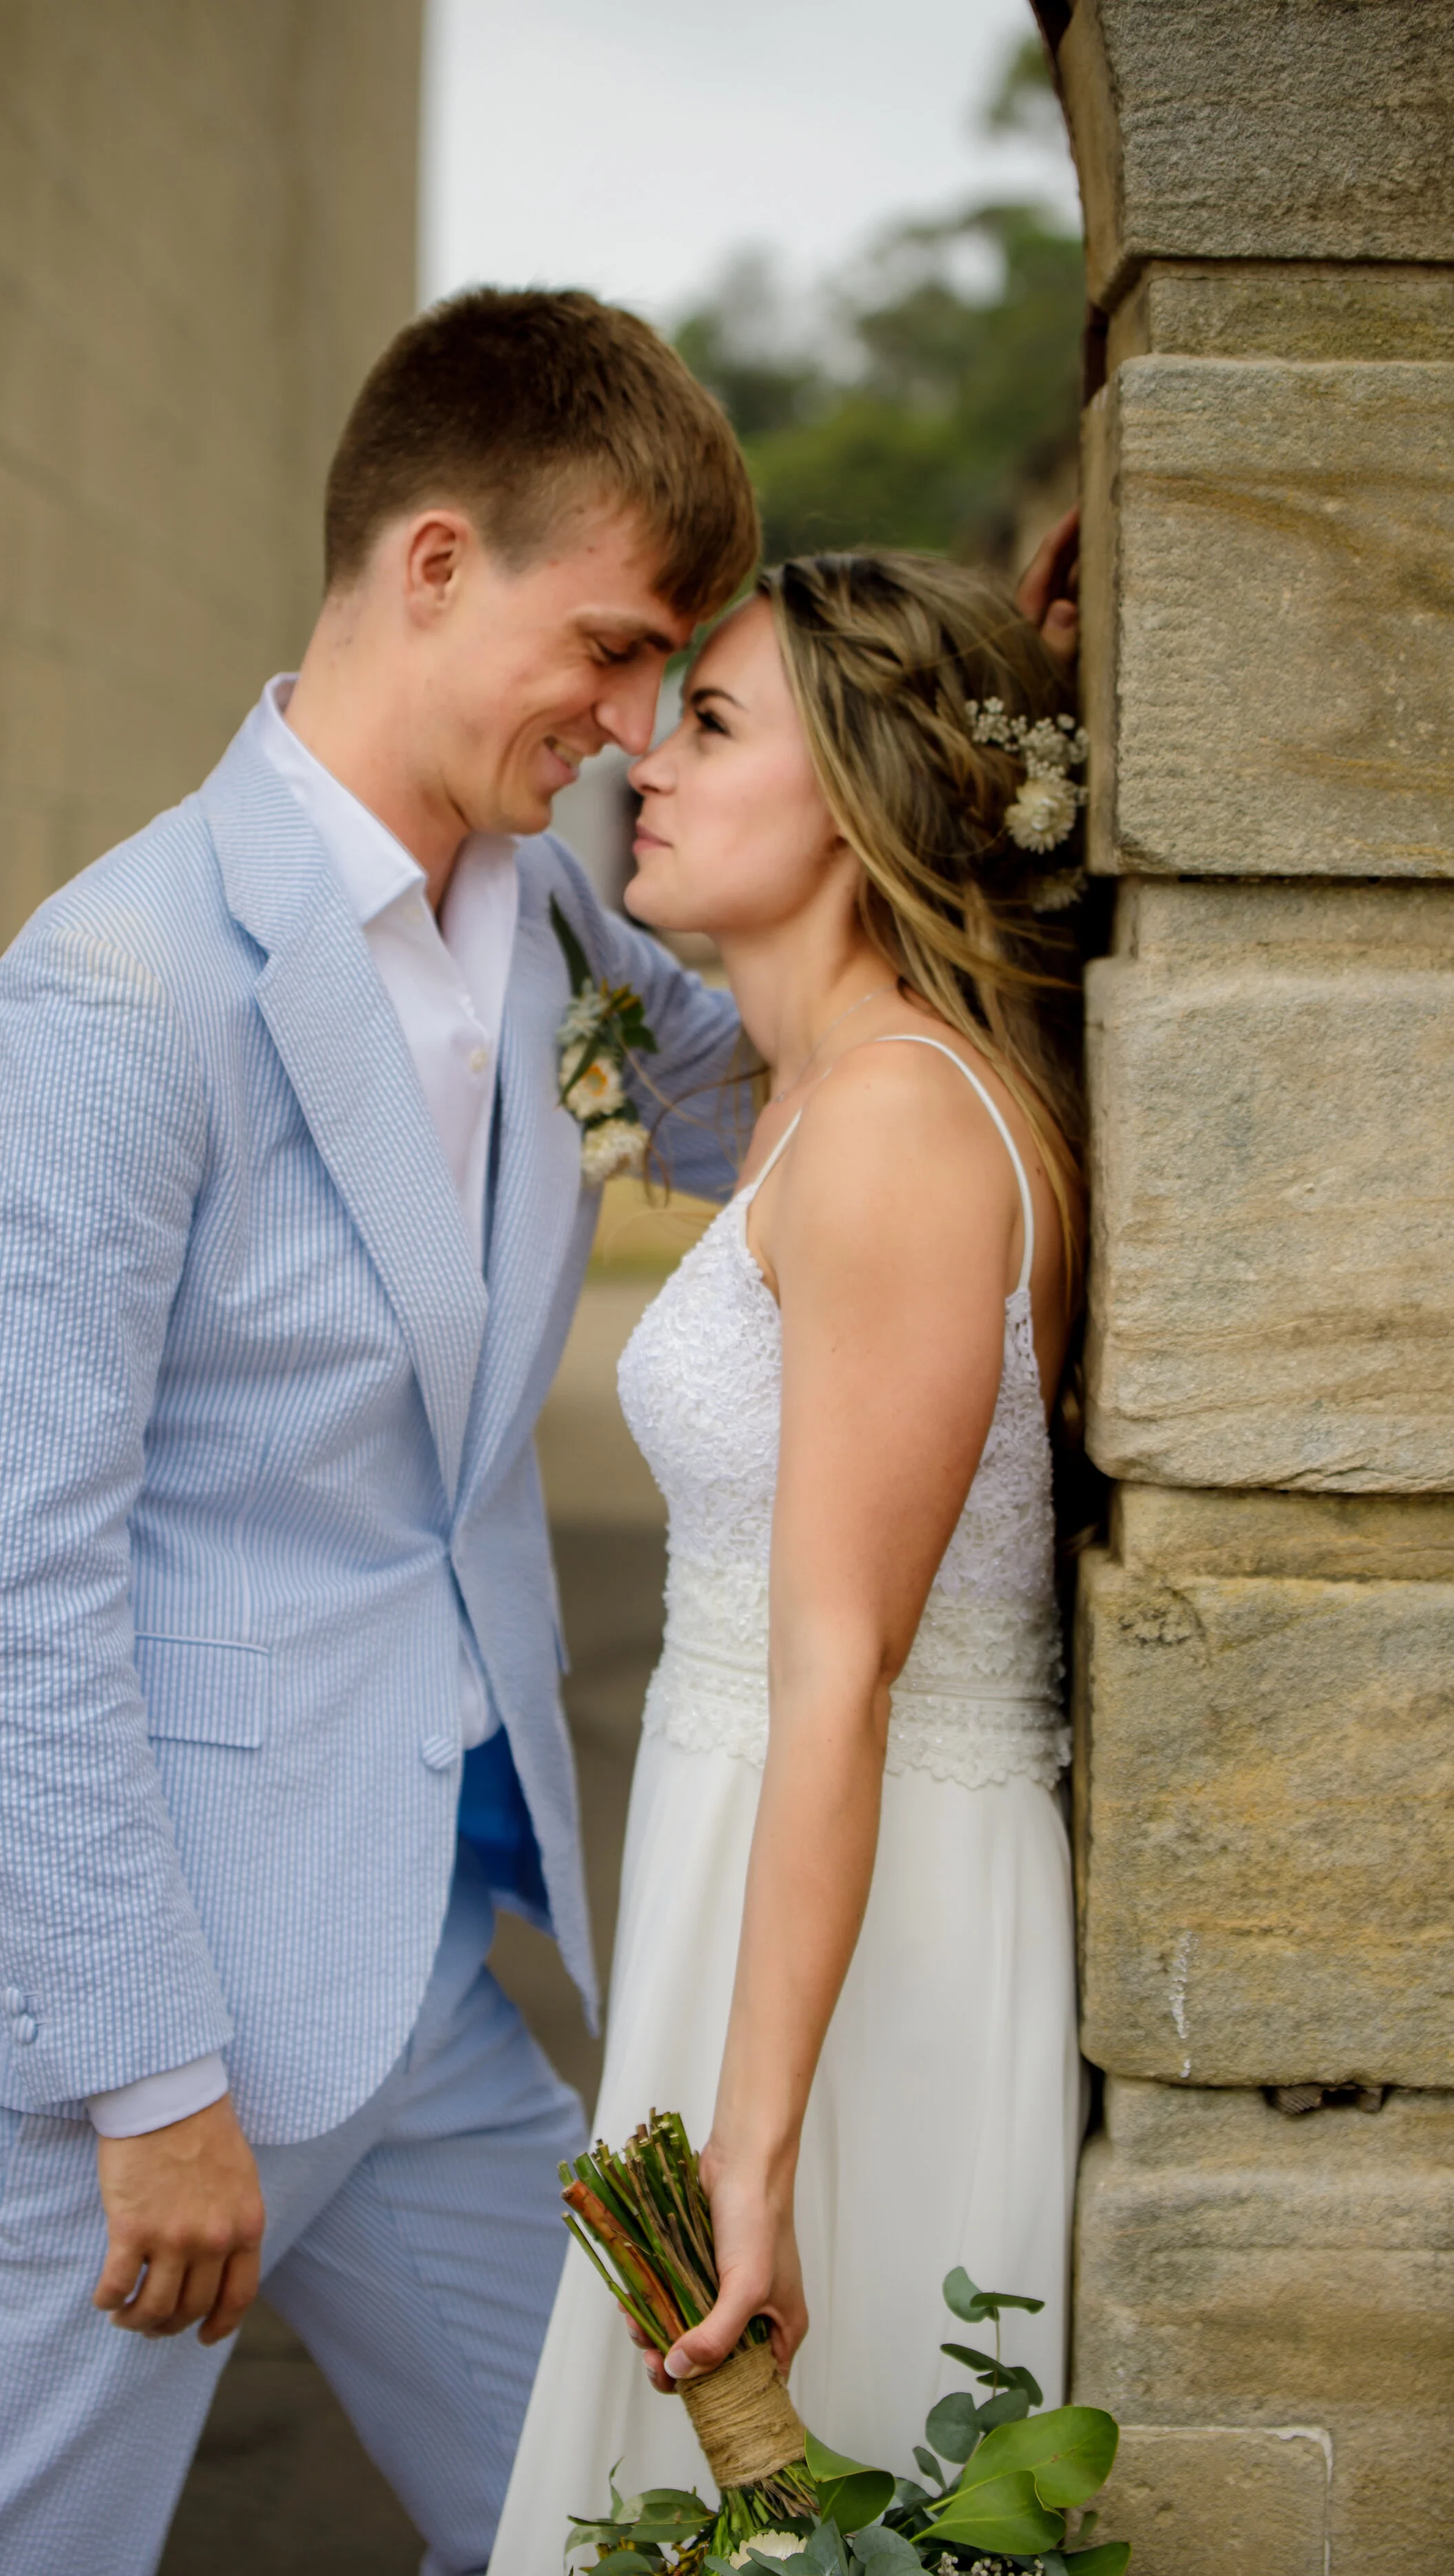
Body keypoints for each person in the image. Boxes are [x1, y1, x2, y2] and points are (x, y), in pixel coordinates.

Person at [0, 288, 762, 2576]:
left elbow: (765, 1087)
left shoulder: (551, 900)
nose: (634, 725)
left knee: (620, 2524)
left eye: (668, 680)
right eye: (615, 648)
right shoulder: (106, 1003)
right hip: (138, 2017)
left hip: (425, 1966)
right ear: (433, 561)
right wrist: (148, 2088)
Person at [490, 539, 1087, 2570]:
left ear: (858, 793)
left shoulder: (904, 1129)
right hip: (761, 1882)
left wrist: (753, 2156)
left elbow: (843, 1667)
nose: (642, 755)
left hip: (870, 1935)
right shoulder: (802, 1095)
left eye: (713, 721)